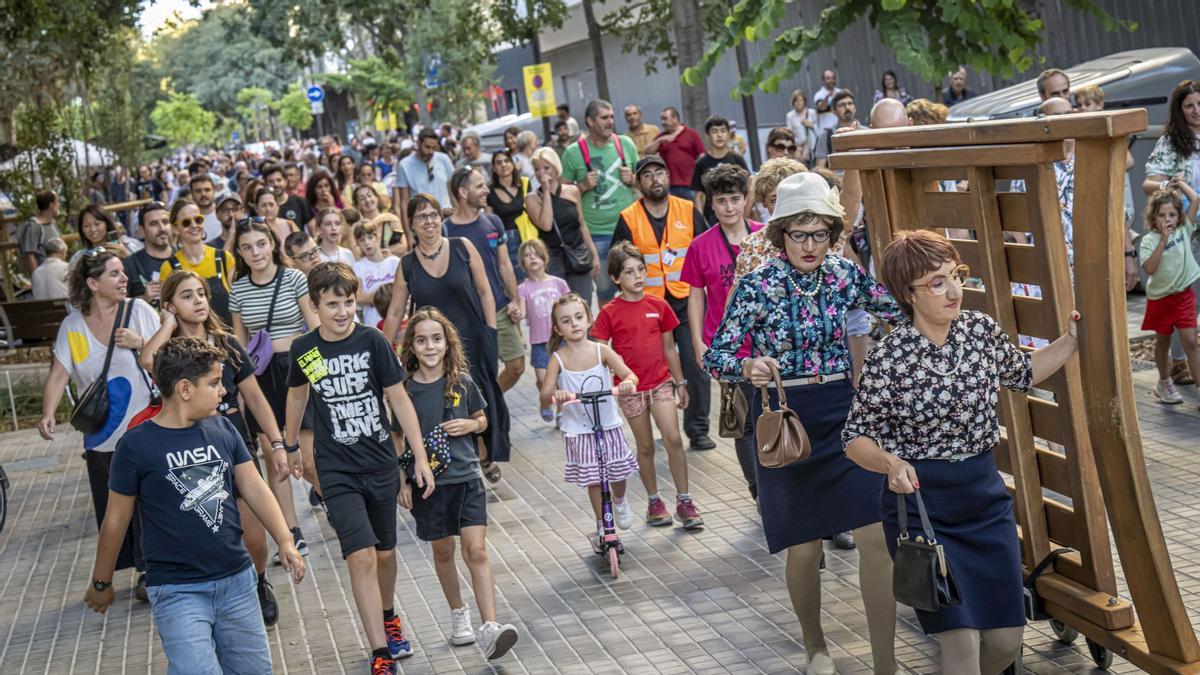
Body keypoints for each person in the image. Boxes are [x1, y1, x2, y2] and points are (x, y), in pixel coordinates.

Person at [844, 229, 1080, 673]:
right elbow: (855, 437)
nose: (954, 290)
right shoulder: (889, 357)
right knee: (961, 642)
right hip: (922, 510)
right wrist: (890, 462)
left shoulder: (981, 331)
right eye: (937, 281)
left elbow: (1021, 372)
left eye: (956, 276)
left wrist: (1070, 341)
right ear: (908, 293)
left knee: (1006, 641)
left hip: (984, 501)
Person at [704, 172, 901, 675]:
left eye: (820, 233)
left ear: (833, 233)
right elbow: (715, 355)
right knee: (804, 543)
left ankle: (886, 662)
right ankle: (815, 647)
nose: (810, 245)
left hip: (844, 410)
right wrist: (746, 366)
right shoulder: (756, 284)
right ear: (780, 233)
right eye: (798, 233)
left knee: (875, 534)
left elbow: (895, 312)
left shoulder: (843, 273)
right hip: (785, 417)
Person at [83, 337, 304, 674]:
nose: (222, 391)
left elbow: (256, 490)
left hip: (237, 582)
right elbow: (116, 519)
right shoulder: (135, 445)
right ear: (185, 389)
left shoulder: (223, 429)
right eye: (214, 383)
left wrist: (285, 539)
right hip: (177, 591)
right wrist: (102, 582)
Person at [284, 262, 434, 673]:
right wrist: (291, 444)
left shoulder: (373, 342)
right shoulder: (307, 350)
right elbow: (297, 396)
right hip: (336, 470)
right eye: (332, 304)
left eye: (348, 302)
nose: (342, 311)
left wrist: (418, 458)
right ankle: (379, 651)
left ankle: (389, 614)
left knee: (385, 553)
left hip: (380, 464)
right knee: (361, 556)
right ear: (314, 305)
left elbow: (399, 399)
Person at [140, 272, 291, 626]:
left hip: (233, 447)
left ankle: (258, 582)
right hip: (190, 458)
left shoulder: (227, 344)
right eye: (186, 296)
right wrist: (167, 323)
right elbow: (148, 360)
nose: (198, 301)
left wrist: (278, 442)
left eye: (201, 294)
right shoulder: (171, 353)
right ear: (171, 305)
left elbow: (254, 397)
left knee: (253, 535)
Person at [397, 308, 520, 659]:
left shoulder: (462, 381)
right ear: (412, 347)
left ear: (448, 343)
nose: (430, 346)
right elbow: (397, 437)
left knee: (476, 550)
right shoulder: (404, 390)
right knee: (443, 551)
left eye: (437, 339)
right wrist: (402, 481)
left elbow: (482, 419)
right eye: (422, 340)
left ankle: (491, 626)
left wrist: (471, 425)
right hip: (429, 485)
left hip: (467, 478)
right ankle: (458, 614)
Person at [40, 250, 161, 601]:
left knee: (148, 501)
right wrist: (48, 413)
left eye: (123, 272)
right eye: (114, 274)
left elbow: (167, 354)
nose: (124, 279)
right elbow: (61, 372)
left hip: (143, 427)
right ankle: (128, 568)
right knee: (114, 504)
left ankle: (148, 570)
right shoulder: (73, 327)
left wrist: (140, 344)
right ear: (93, 284)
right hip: (102, 435)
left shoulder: (138, 312)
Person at [383, 195, 513, 483]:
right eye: (421, 217)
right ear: (412, 224)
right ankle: (466, 462)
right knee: (447, 403)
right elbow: (394, 311)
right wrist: (382, 350)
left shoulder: (462, 247)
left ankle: (484, 453)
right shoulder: (407, 265)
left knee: (479, 399)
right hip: (432, 349)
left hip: (473, 340)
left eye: (432, 215)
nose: (429, 221)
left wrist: (490, 331)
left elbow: (484, 291)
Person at [611, 155, 714, 451]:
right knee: (649, 366)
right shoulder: (628, 217)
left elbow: (705, 248)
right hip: (647, 306)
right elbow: (619, 261)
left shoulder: (688, 210)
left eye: (660, 173)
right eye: (647, 175)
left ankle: (698, 429)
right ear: (638, 182)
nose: (655, 179)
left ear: (668, 176)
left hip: (685, 301)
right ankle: (662, 422)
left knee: (696, 362)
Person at [230, 218, 319, 559]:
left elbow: (312, 329)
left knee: (307, 460)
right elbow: (239, 342)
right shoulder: (238, 288)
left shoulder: (294, 277)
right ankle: (291, 530)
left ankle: (338, 501)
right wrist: (238, 387)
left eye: (261, 244)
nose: (256, 252)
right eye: (247, 247)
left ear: (272, 244)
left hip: (297, 371)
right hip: (260, 376)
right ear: (239, 252)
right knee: (274, 455)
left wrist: (320, 378)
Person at [594, 243, 700, 528]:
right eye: (629, 272)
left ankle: (685, 500)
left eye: (641, 269)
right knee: (644, 446)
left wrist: (681, 383)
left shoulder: (659, 305)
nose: (638, 276)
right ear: (616, 278)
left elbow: (670, 349)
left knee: (673, 438)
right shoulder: (609, 313)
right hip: (630, 389)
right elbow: (602, 354)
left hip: (661, 383)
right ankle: (654, 501)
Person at [680, 164, 763, 500]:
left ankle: (780, 481)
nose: (729, 207)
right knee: (743, 422)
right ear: (710, 204)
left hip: (768, 344)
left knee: (774, 414)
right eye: (721, 200)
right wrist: (699, 343)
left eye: (735, 198)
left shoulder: (765, 236)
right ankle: (758, 490)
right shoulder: (700, 246)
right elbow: (696, 296)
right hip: (728, 350)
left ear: (746, 200)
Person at [540, 294, 640, 551]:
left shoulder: (601, 350)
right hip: (578, 430)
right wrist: (556, 395)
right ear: (557, 328)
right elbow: (544, 395)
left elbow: (629, 374)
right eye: (565, 320)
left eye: (578, 317)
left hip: (607, 423)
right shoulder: (557, 359)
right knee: (594, 478)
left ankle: (618, 500)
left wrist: (627, 383)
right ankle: (602, 526)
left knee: (618, 471)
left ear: (588, 320)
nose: (573, 323)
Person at [446, 167, 526, 393]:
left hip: (500, 308)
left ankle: (490, 400)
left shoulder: (493, 222)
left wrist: (515, 300)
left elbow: (504, 265)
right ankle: (482, 409)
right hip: (468, 315)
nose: (486, 190)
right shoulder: (446, 230)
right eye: (479, 186)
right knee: (473, 371)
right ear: (463, 192)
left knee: (517, 365)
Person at [1143, 81, 1200, 387]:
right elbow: (1149, 183)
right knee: (1186, 295)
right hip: (1187, 230)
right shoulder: (1172, 142)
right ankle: (1179, 363)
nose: (1196, 111)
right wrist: (1170, 185)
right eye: (1189, 105)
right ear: (1180, 109)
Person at [561, 100, 639, 302]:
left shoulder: (626, 144)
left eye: (612, 117)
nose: (610, 121)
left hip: (630, 228)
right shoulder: (573, 153)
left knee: (636, 285)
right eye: (604, 117)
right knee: (605, 293)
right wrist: (582, 187)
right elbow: (561, 196)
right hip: (597, 234)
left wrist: (633, 179)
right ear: (590, 121)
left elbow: (643, 182)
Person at [1139, 185, 1200, 405]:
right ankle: (1164, 383)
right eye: (1162, 215)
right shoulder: (1149, 241)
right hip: (1160, 299)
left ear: (1179, 216)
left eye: (1172, 214)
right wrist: (1163, 241)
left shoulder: (1185, 229)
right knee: (1163, 341)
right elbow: (1150, 269)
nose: (1168, 219)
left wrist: (1180, 183)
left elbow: (1195, 200)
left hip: (1183, 295)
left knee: (1190, 341)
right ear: (1153, 217)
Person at [526, 147, 603, 305]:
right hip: (552, 258)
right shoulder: (532, 198)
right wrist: (546, 192)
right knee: (559, 308)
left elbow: (581, 224)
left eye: (546, 168)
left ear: (555, 168)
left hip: (577, 253)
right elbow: (546, 225)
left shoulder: (572, 191)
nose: (542, 173)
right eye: (537, 169)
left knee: (582, 305)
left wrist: (593, 254)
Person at [515, 239, 570, 422]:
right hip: (539, 341)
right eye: (527, 256)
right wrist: (516, 315)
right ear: (523, 263)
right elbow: (521, 312)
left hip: (560, 338)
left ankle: (562, 411)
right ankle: (546, 402)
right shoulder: (522, 288)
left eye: (536, 254)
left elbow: (569, 306)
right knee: (542, 379)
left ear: (544, 258)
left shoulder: (558, 283)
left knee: (562, 377)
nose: (532, 258)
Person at [159, 199, 237, 325]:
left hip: (228, 339)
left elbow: (238, 307)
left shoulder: (224, 258)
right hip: (195, 342)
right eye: (186, 222)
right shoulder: (169, 268)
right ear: (175, 228)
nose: (194, 225)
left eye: (198, 220)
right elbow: (167, 316)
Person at [394, 129, 456, 234]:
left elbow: (453, 190)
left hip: (447, 218)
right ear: (418, 143)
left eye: (434, 148)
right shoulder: (404, 165)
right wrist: (408, 233)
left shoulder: (443, 159)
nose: (431, 151)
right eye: (427, 147)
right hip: (423, 222)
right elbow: (404, 203)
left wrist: (457, 213)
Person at [691, 115, 750, 225]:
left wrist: (746, 213)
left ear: (728, 134)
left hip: (736, 213)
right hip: (711, 215)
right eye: (714, 131)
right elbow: (699, 195)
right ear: (707, 135)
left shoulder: (737, 159)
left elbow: (747, 187)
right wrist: (700, 221)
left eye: (723, 131)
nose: (719, 135)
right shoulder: (701, 163)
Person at [643, 107, 706, 202]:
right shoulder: (662, 136)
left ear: (675, 118)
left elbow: (702, 155)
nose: (662, 122)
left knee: (693, 213)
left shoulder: (691, 133)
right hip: (670, 186)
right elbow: (648, 152)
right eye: (661, 119)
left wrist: (699, 175)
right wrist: (660, 141)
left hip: (690, 185)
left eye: (665, 118)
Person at [486, 149, 529, 279]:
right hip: (504, 241)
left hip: (526, 237)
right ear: (494, 168)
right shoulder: (489, 191)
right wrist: (493, 249)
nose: (503, 165)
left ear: (512, 164)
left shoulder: (525, 184)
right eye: (498, 163)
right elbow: (490, 224)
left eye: (506, 161)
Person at [352, 221, 400, 329]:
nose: (367, 243)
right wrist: (386, 298)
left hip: (398, 319)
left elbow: (403, 290)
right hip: (373, 322)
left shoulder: (394, 262)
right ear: (358, 244)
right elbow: (358, 296)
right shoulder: (358, 267)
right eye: (362, 240)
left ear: (377, 237)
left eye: (370, 237)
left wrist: (370, 298)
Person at [69, 205, 142, 265]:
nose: (92, 229)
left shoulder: (130, 246)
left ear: (107, 224)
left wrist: (126, 257)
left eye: (97, 224)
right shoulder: (79, 258)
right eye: (86, 226)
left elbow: (145, 275)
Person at [18, 189, 62, 275]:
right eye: (57, 202)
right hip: (44, 275)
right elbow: (29, 255)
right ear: (51, 205)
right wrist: (37, 278)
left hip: (57, 273)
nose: (59, 205)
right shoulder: (34, 226)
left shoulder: (52, 222)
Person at [815, 90, 858, 168]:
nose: (847, 107)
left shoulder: (867, 131)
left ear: (855, 108)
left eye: (850, 103)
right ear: (834, 111)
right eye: (842, 105)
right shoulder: (826, 135)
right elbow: (820, 169)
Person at [263, 163, 314, 228]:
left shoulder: (300, 202)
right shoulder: (262, 207)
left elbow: (313, 230)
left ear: (285, 181)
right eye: (271, 181)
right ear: (265, 184)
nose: (275, 184)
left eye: (279, 180)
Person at [254, 187, 300, 254]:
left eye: (271, 204)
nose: (268, 209)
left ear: (278, 206)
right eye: (263, 205)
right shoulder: (253, 229)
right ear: (257, 209)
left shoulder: (289, 225)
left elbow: (301, 246)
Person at [786, 90, 819, 166]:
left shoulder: (812, 112)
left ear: (804, 101)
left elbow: (819, 130)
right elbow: (790, 133)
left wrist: (810, 125)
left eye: (800, 100)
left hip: (812, 145)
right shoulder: (790, 116)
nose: (798, 103)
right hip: (799, 147)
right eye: (796, 100)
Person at [190, 174, 223, 242]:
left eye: (207, 190)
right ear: (192, 194)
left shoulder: (226, 215)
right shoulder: (187, 222)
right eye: (198, 191)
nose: (203, 194)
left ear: (214, 191)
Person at [813, 69, 842, 133]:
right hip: (826, 131)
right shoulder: (819, 95)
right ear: (823, 80)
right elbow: (821, 107)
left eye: (833, 78)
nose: (831, 80)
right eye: (828, 78)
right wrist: (827, 97)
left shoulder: (840, 92)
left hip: (840, 129)